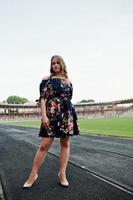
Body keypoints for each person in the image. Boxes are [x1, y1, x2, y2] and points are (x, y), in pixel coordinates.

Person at [23, 55, 80, 188]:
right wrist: (44, 116)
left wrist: (70, 115)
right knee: (44, 145)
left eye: (57, 63)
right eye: (53, 63)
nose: (55, 65)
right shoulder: (46, 80)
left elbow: (68, 98)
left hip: (66, 114)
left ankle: (62, 174)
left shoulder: (68, 81)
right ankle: (33, 175)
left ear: (62, 64)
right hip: (51, 114)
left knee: (65, 144)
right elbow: (42, 98)